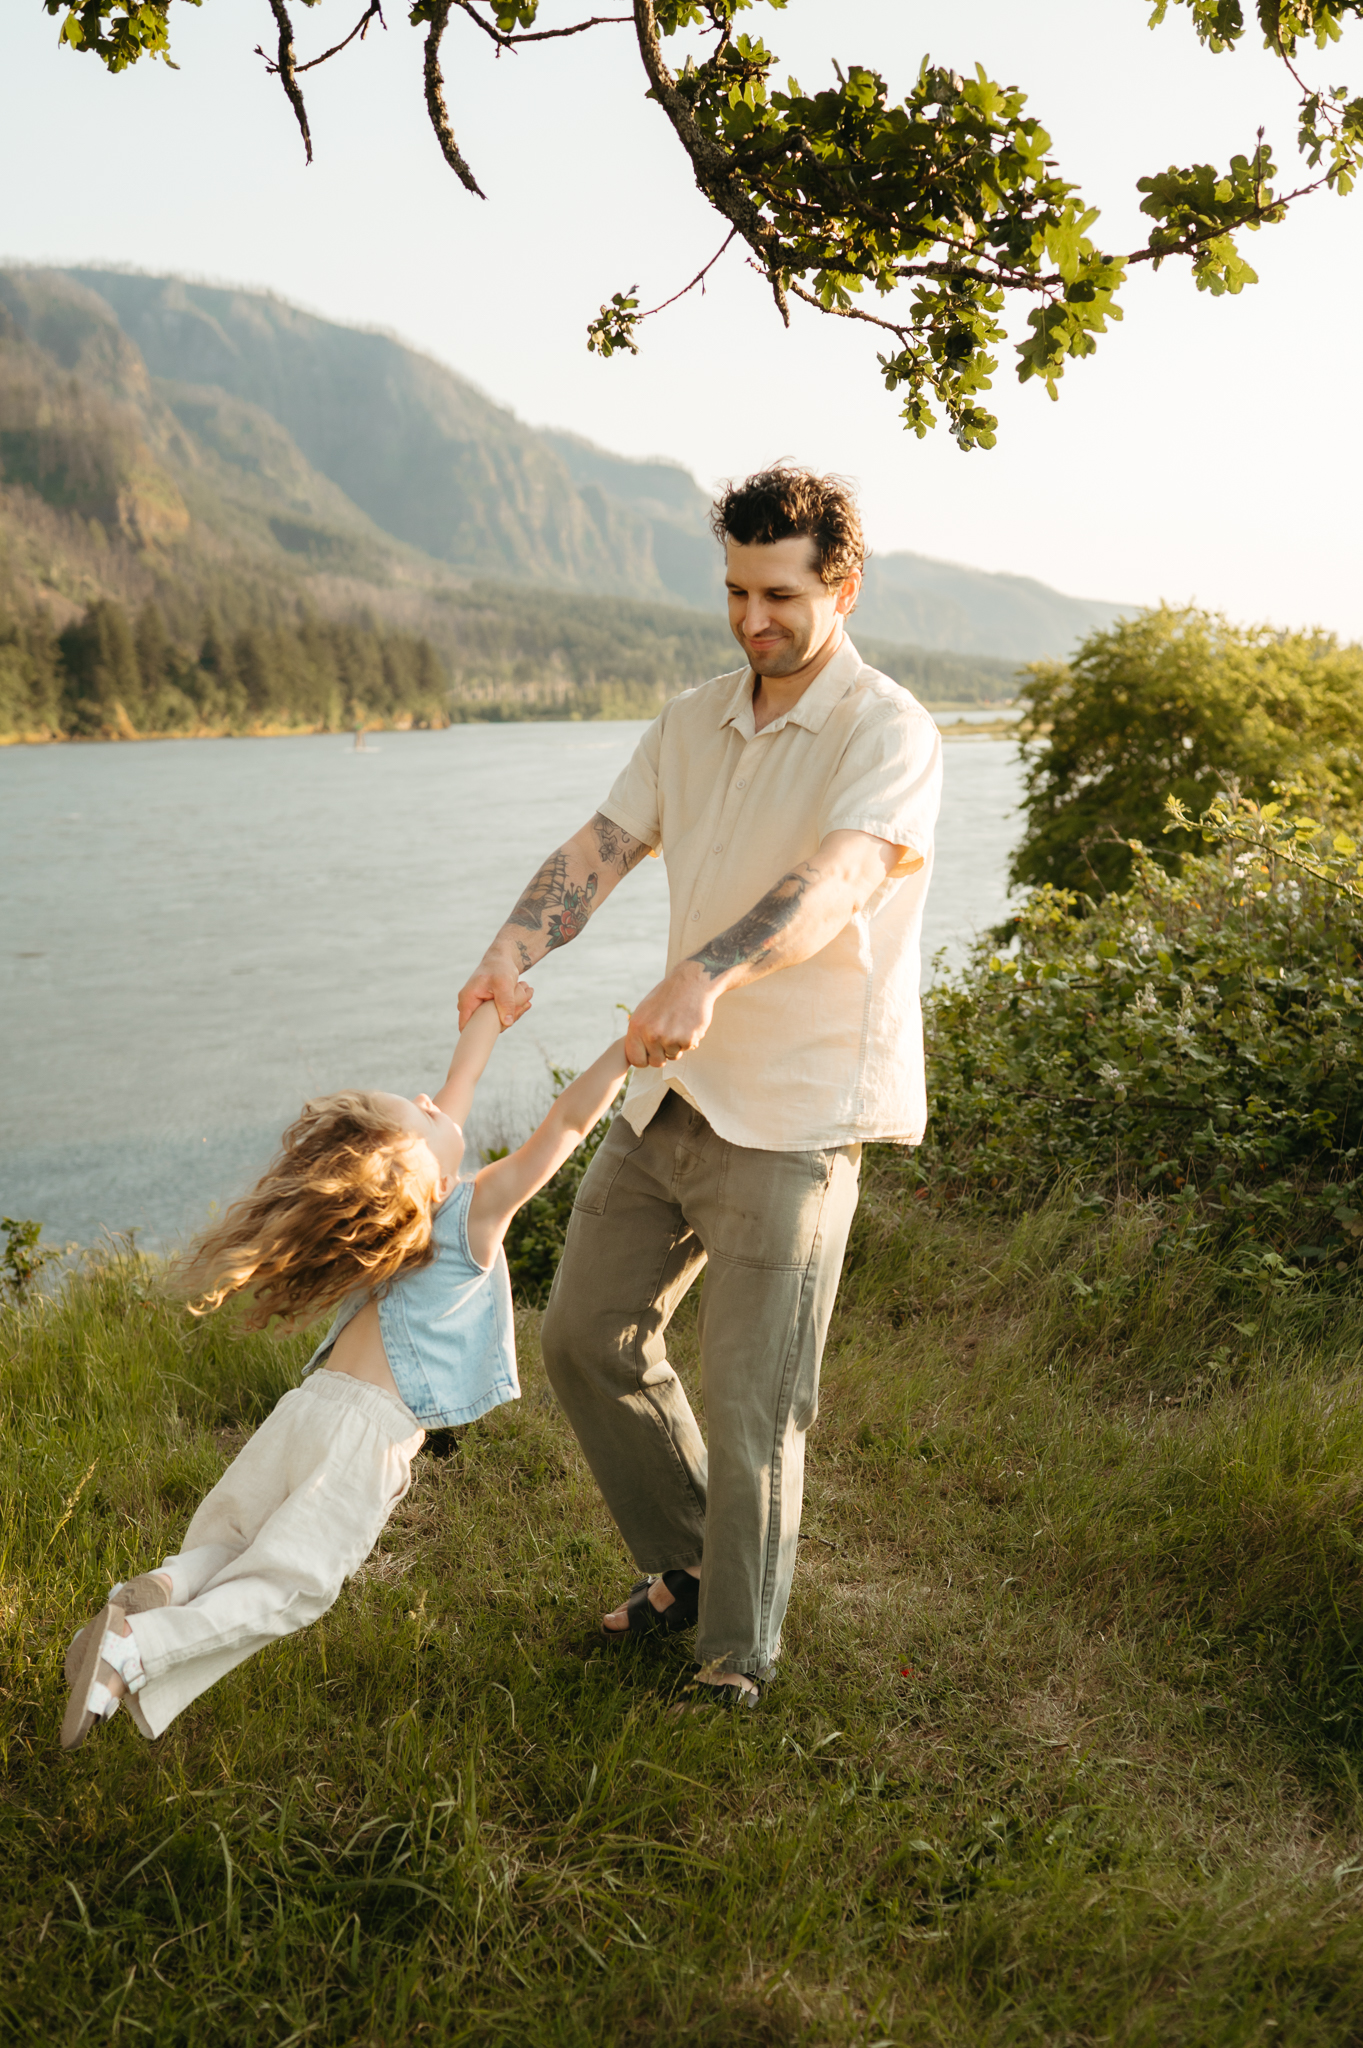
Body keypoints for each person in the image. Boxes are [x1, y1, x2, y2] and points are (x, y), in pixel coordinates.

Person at [458, 466, 943, 1704]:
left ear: (844, 581)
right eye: (733, 588)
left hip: (795, 1111)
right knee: (582, 1335)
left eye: (778, 592)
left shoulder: (887, 730)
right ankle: (686, 1563)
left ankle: (735, 1656)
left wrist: (708, 972)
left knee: (754, 1404)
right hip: (666, 1090)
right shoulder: (690, 718)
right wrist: (515, 946)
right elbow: (600, 849)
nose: (750, 619)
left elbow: (838, 880)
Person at [61, 997, 630, 1750]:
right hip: (366, 1439)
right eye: (422, 1110)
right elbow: (561, 1128)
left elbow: (454, 1091)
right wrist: (627, 1051)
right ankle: (135, 1650)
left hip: (306, 1408)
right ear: (419, 1174)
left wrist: (493, 1006)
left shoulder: (393, 1225)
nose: (433, 1099)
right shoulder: (468, 1217)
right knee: (290, 1586)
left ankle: (165, 1585)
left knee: (236, 1539)